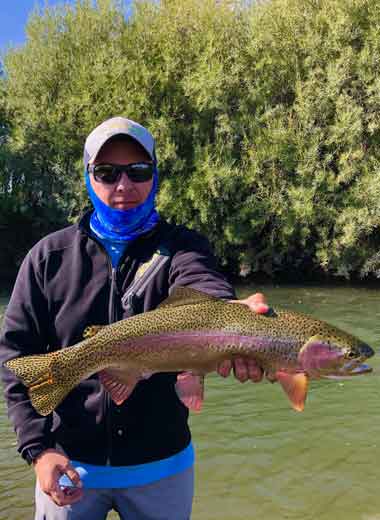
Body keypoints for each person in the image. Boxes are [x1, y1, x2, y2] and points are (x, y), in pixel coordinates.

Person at [0, 117, 268, 520]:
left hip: (162, 467)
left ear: (155, 175)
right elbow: (14, 358)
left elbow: (203, 283)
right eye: (106, 173)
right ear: (88, 176)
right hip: (69, 464)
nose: (123, 185)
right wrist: (39, 450)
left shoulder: (182, 248)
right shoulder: (47, 258)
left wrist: (227, 316)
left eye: (137, 171)